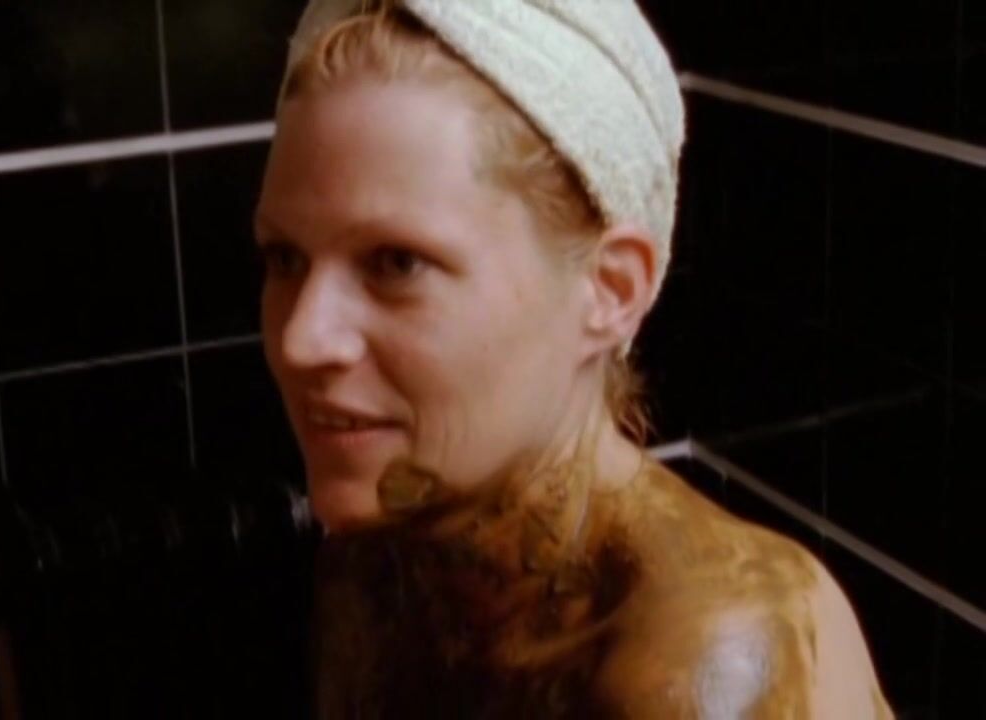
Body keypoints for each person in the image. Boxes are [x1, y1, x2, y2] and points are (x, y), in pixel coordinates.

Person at [253, 0, 893, 717]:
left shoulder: (708, 662)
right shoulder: (373, 573)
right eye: (284, 258)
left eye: (397, 263)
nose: (301, 339)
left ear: (610, 290)